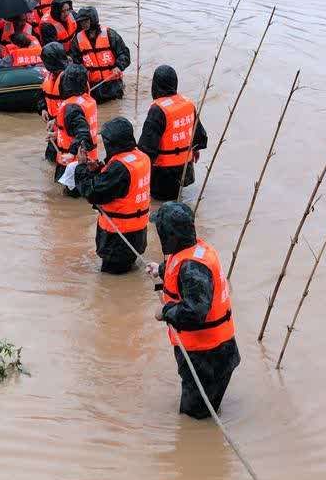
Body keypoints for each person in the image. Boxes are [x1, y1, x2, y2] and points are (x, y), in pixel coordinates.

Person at [146, 202, 240, 420]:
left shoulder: (192, 267)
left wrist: (166, 311)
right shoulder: (194, 251)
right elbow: (186, 279)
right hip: (211, 351)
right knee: (198, 412)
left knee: (194, 418)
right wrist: (160, 270)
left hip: (208, 356)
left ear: (170, 234)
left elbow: (195, 312)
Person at [75, 117, 150, 274]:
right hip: (137, 234)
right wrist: (98, 169)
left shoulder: (119, 167)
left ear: (114, 143)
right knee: (129, 273)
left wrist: (81, 167)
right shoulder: (141, 157)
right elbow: (119, 186)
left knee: (111, 281)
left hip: (118, 239)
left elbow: (92, 192)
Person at [138, 65, 208, 201]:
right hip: (185, 170)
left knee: (160, 204)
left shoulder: (158, 110)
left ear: (155, 85)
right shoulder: (188, 103)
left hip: (163, 175)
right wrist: (196, 149)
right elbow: (199, 135)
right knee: (177, 200)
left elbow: (146, 149)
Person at [52, 64, 98, 189]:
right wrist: (56, 134)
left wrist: (72, 153)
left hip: (73, 164)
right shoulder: (86, 101)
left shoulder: (71, 107)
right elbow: (77, 128)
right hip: (89, 161)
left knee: (63, 202)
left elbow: (83, 131)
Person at [72, 6, 130, 102]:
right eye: (81, 22)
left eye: (86, 21)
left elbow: (124, 54)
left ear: (93, 19)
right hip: (93, 88)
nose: (83, 24)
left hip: (114, 84)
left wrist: (119, 66)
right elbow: (76, 63)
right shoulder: (77, 40)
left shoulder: (110, 34)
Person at [37, 41, 69, 161]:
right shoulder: (49, 75)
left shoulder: (70, 78)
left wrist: (56, 120)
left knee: (63, 159)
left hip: (67, 127)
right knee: (50, 159)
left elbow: (74, 107)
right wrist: (43, 109)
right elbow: (42, 94)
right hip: (53, 125)